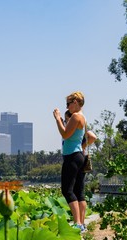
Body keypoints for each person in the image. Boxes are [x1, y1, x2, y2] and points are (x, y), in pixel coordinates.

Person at [53, 91, 89, 232]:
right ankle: (81, 223)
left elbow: (65, 134)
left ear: (75, 103)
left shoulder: (75, 116)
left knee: (67, 190)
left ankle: (77, 223)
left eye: (68, 104)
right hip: (79, 154)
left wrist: (57, 119)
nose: (67, 107)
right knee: (78, 191)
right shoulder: (82, 117)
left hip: (72, 156)